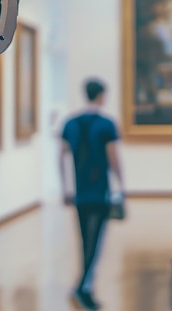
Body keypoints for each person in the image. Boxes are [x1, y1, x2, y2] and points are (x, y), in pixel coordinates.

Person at [59, 78, 125, 310]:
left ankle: (83, 286)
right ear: (101, 96)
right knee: (94, 242)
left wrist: (65, 188)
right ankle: (83, 288)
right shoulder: (107, 124)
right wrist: (121, 185)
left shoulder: (70, 123)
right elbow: (113, 157)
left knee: (84, 240)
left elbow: (63, 156)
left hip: (79, 193)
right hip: (99, 192)